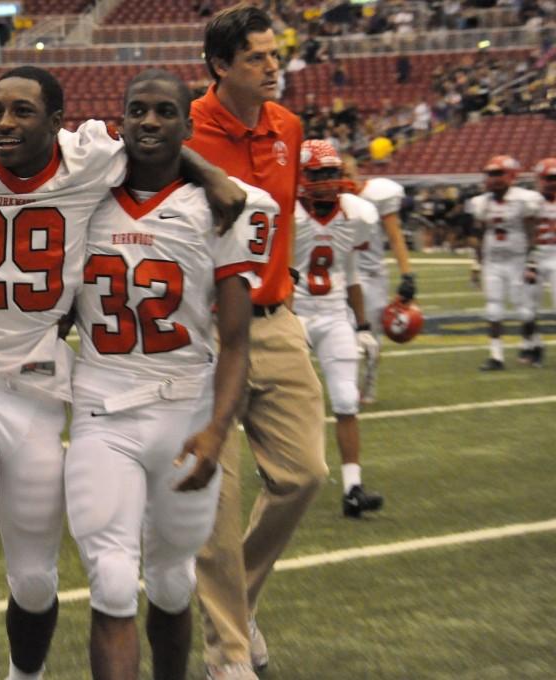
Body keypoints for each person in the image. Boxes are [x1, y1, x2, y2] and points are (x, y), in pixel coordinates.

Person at [0, 65, 243, 680]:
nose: (3, 123)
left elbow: (152, 147)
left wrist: (206, 170)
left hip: (41, 386)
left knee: (38, 579)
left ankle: (27, 673)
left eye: (22, 111)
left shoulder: (90, 159)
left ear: (56, 122)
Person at [64, 68, 276, 680]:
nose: (149, 122)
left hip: (185, 410)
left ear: (187, 124)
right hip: (104, 408)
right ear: (120, 119)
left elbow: (236, 340)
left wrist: (217, 429)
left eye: (164, 112)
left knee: (172, 581)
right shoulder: (85, 195)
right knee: (109, 578)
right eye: (137, 111)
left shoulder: (220, 206)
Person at [185, 4, 330, 678]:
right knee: (216, 504)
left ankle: (235, 606)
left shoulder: (290, 127)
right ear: (220, 66)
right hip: (204, 336)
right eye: (257, 58)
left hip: (275, 321)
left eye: (276, 54)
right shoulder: (180, 127)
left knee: (305, 474)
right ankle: (229, 657)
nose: (274, 67)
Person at [293, 140, 384, 518]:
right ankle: (282, 472)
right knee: (288, 403)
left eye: (331, 173)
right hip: (293, 314)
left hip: (333, 314)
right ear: (302, 176)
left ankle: (352, 488)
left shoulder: (357, 214)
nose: (327, 181)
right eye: (318, 174)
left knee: (346, 399)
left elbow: (350, 274)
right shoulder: (286, 213)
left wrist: (362, 325)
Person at [341, 155, 417, 404]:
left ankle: (369, 383)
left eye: (348, 173)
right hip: (340, 275)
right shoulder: (328, 199)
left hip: (371, 277)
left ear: (357, 172)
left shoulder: (377, 195)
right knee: (342, 336)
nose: (344, 179)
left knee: (369, 336)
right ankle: (347, 388)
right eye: (339, 173)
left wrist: (407, 274)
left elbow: (395, 237)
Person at [466, 155, 542, 370]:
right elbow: (477, 235)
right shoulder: (480, 203)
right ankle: (496, 356)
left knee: (525, 310)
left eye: (498, 174)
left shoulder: (524, 200)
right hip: (493, 261)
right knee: (493, 308)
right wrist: (476, 264)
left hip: (517, 261)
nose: (492, 179)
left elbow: (531, 232)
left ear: (511, 176)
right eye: (490, 174)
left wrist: (532, 262)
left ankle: (531, 345)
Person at [525, 157, 556, 366]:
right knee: (528, 309)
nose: (552, 182)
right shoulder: (530, 202)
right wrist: (529, 262)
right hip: (536, 257)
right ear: (539, 179)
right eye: (548, 178)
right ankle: (535, 347)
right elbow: (525, 235)